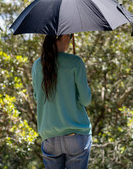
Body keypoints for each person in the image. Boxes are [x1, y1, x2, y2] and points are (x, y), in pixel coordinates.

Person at [32, 34, 92, 169]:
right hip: (76, 135)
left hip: (49, 137)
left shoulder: (37, 65)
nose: (70, 40)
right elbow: (86, 100)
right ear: (62, 36)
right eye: (70, 36)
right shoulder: (76, 62)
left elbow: (37, 98)